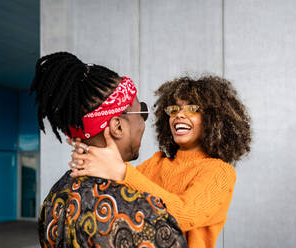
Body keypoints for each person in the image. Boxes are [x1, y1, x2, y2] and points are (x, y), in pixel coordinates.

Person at [69, 76, 252, 247]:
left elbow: (183, 215)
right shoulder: (156, 162)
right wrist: (91, 152)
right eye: (174, 109)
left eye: (191, 108)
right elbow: (117, 191)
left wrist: (121, 171)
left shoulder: (220, 172)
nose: (179, 115)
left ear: (213, 119)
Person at [31, 51, 187, 248]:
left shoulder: (55, 197)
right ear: (118, 127)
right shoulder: (141, 211)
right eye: (142, 112)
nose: (144, 123)